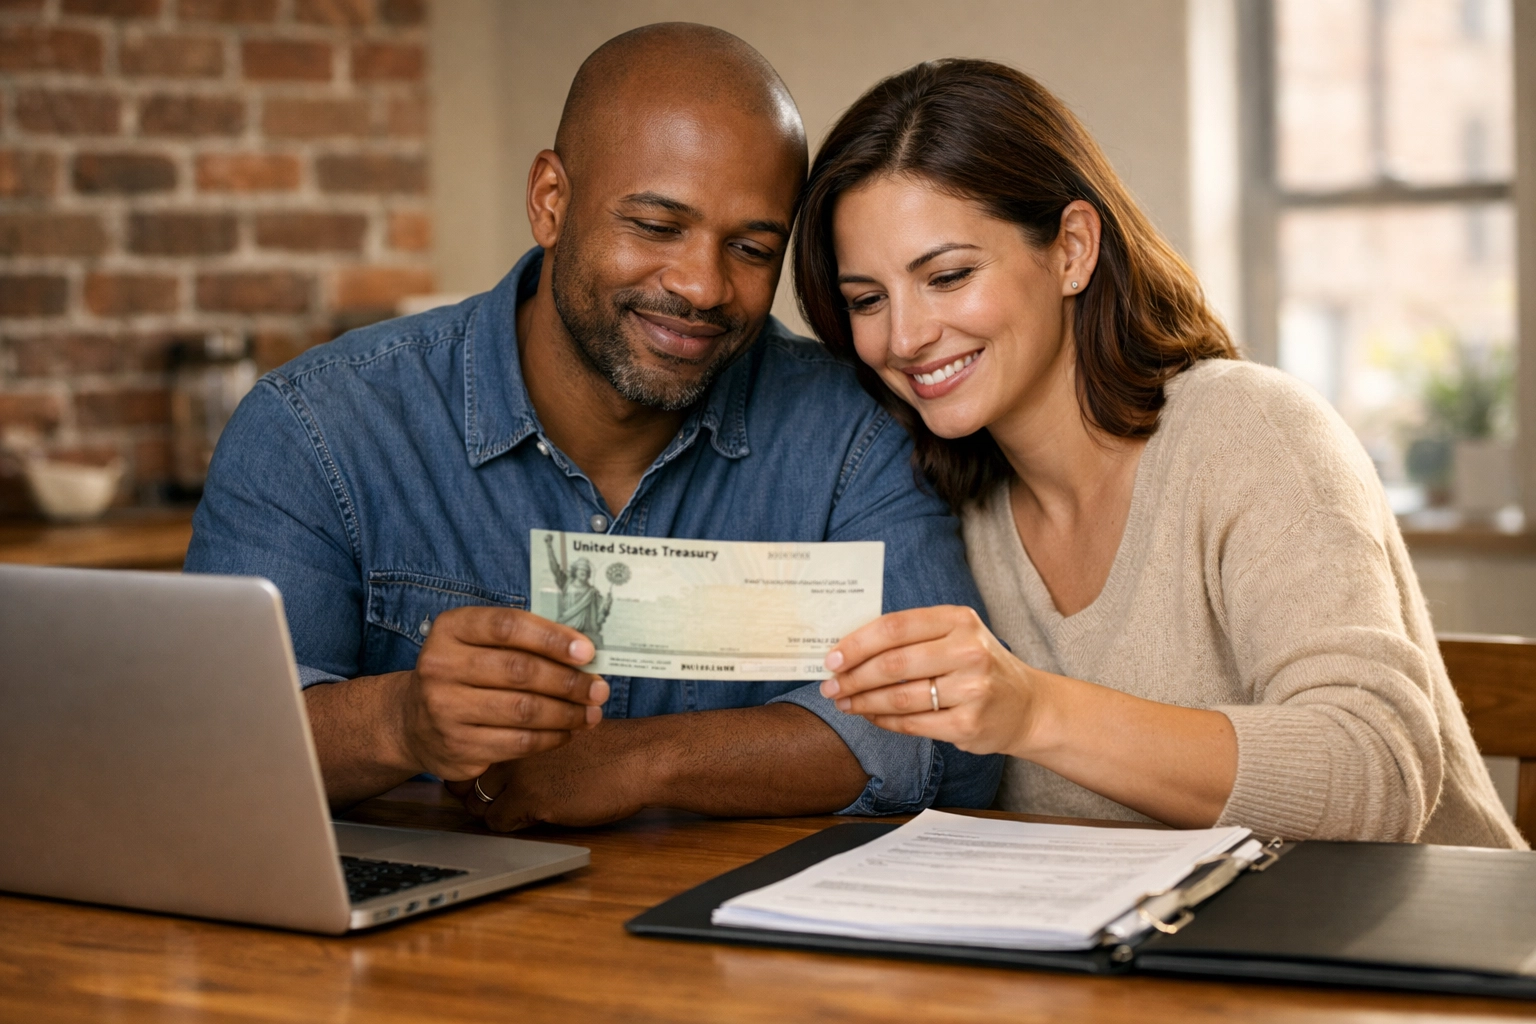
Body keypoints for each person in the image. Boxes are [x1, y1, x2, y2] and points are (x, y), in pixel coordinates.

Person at [183, 26, 1001, 831]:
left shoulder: (853, 438)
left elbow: (953, 741)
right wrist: (404, 721)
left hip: (734, 950)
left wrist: (644, 760)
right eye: (655, 227)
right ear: (550, 201)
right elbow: (209, 758)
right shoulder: (319, 428)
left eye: (751, 248)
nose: (702, 285)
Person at [793, 58, 1522, 847]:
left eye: (949, 275)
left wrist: (1034, 710)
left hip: (1420, 953)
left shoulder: (1249, 430)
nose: (903, 337)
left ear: (1072, 249)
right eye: (867, 299)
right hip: (1164, 960)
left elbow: (1373, 776)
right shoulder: (953, 510)